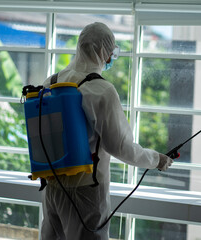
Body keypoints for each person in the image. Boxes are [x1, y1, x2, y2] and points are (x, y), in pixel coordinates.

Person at [40, 22, 173, 240]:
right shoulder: (101, 90)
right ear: (103, 51)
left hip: (52, 188)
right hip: (86, 193)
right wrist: (155, 159)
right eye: (112, 52)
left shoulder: (51, 81)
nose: (111, 58)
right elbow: (121, 147)